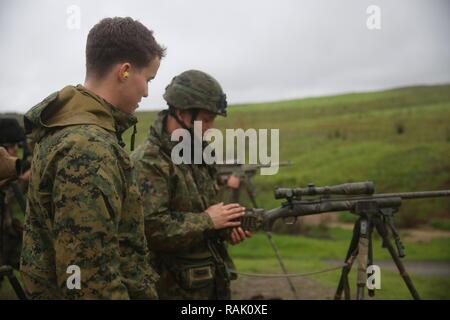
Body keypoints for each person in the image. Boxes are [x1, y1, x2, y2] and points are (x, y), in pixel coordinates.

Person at [20, 17, 165, 299]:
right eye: (147, 79)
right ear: (124, 71)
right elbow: (89, 282)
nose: (147, 92)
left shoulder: (64, 127)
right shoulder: (88, 147)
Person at [131, 69, 251, 299]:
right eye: (205, 120)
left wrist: (225, 227)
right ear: (181, 112)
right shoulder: (149, 161)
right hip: (170, 289)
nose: (210, 128)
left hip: (209, 284)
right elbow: (151, 228)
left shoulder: (199, 155)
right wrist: (208, 221)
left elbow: (205, 209)